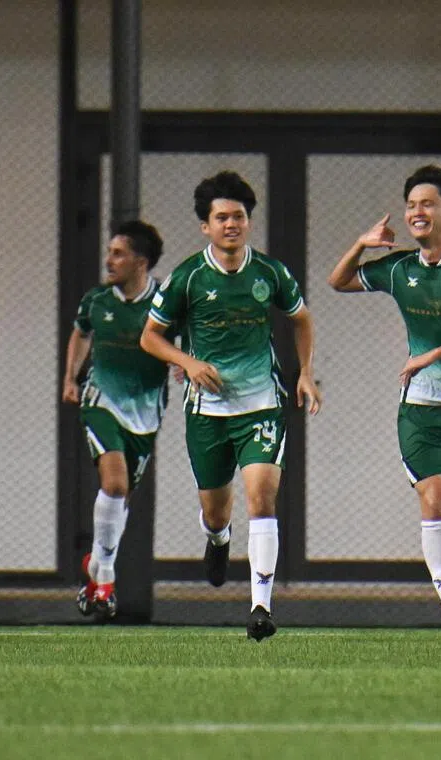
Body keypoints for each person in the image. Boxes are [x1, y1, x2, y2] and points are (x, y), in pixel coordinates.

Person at [327, 165, 441, 642]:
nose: (417, 212)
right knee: (436, 500)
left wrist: (433, 353)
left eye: (427, 203)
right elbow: (338, 281)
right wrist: (362, 244)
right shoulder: (401, 267)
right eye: (411, 205)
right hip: (422, 408)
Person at [139, 171, 322, 641]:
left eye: (238, 216)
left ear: (248, 221)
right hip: (207, 411)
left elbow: (301, 318)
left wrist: (303, 372)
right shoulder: (188, 278)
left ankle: (261, 605)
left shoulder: (270, 273)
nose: (231, 224)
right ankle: (217, 539)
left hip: (261, 403)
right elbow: (151, 337)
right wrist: (188, 361)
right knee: (218, 511)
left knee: (262, 496)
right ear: (206, 226)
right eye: (221, 217)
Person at [62, 220, 171, 622]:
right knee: (115, 482)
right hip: (101, 399)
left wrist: (183, 363)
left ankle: (96, 564)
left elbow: (186, 337)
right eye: (110, 252)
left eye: (119, 253)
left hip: (145, 410)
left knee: (122, 497)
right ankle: (105, 575)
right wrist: (70, 377)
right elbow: (81, 334)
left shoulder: (165, 300)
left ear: (141, 262)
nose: (109, 260)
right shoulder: (97, 300)